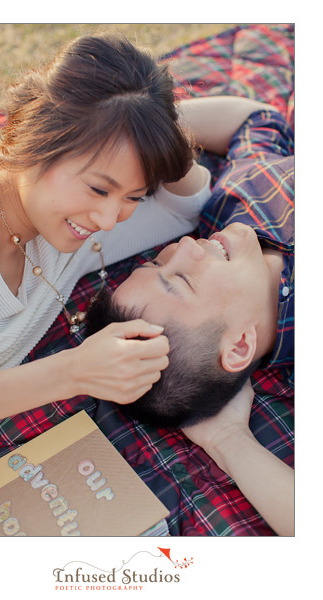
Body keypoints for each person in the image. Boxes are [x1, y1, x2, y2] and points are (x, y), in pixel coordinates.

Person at [0, 33, 216, 447]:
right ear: (40, 139)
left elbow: (184, 206)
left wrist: (153, 125)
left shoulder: (70, 238)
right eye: (98, 188)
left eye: (134, 196)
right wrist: (74, 371)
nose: (110, 219)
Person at [85, 97, 294, 535]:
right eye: (181, 281)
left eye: (158, 263)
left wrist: (141, 124)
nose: (183, 246)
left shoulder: (232, 205)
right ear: (239, 345)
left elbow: (255, 121)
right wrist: (229, 440)